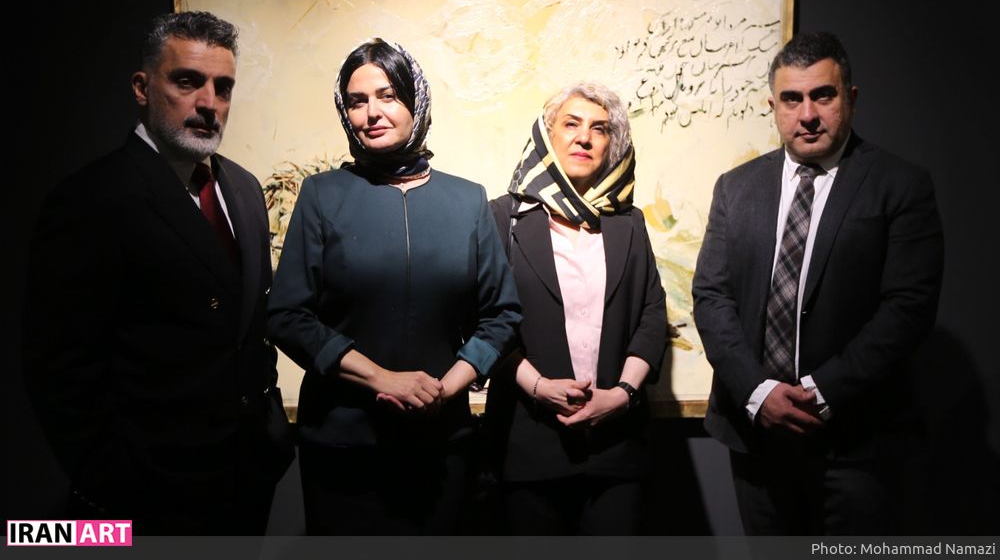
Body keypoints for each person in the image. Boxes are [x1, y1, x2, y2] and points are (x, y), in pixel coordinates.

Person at [21, 11, 294, 534]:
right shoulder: (90, 199)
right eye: (187, 82)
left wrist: (269, 432)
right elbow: (59, 371)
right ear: (142, 88)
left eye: (223, 87)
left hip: (246, 483)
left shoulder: (243, 189)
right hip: (152, 497)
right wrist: (117, 484)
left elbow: (248, 331)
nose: (208, 103)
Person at [692, 31, 944, 534]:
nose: (807, 114)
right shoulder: (736, 188)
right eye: (792, 99)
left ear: (850, 97)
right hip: (756, 436)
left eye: (822, 95)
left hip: (856, 443)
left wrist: (820, 391)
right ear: (773, 106)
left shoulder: (900, 185)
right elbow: (711, 296)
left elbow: (908, 308)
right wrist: (759, 391)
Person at [266, 37, 520, 535]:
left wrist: (443, 390)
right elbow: (287, 316)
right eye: (357, 101)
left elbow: (503, 315)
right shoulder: (321, 196)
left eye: (388, 96)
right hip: (342, 447)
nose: (372, 113)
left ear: (415, 101)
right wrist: (382, 379)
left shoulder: (467, 200)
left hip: (442, 445)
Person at [485, 81, 668, 534]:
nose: (584, 138)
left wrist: (622, 395)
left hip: (617, 448)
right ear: (547, 135)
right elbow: (484, 319)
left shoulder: (629, 222)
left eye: (599, 129)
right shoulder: (502, 217)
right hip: (527, 444)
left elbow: (651, 312)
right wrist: (538, 386)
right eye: (571, 124)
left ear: (611, 145)